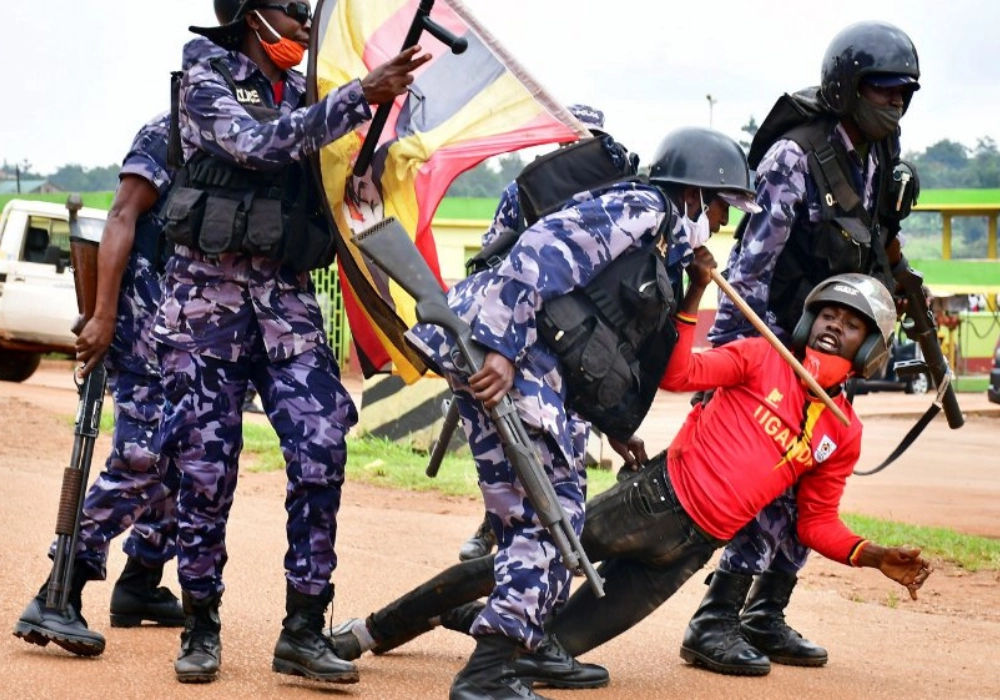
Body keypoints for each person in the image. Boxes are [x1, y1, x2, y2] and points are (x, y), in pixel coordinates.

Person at [329, 271, 933, 690]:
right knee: (512, 567)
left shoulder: (842, 431)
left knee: (551, 655)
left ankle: (480, 620)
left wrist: (873, 555)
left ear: (873, 347)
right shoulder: (760, 355)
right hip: (651, 501)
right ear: (806, 321)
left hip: (689, 551)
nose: (833, 326)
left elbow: (814, 523)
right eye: (827, 313)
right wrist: (696, 290)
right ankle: (368, 632)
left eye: (851, 324)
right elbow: (678, 372)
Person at [398, 126, 760, 700]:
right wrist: (503, 348)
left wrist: (617, 430)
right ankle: (490, 673)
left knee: (547, 517)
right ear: (693, 192)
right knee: (548, 520)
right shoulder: (643, 207)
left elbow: (606, 334)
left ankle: (514, 652)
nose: (719, 223)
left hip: (522, 360)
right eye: (720, 208)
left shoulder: (660, 240)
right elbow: (541, 251)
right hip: (510, 353)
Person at [151, 0, 429, 685]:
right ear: (252, 15)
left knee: (321, 444)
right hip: (204, 308)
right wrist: (357, 95)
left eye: (311, 17)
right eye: (294, 15)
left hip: (286, 305)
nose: (307, 27)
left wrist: (388, 120)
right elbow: (253, 143)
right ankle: (200, 623)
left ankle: (303, 627)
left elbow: (347, 174)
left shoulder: (312, 89)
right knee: (205, 473)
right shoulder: (205, 74)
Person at [683, 19, 924, 676]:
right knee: (767, 487)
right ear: (848, 87)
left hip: (836, 354)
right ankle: (715, 620)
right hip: (778, 350)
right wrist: (726, 379)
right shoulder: (796, 158)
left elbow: (873, 241)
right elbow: (751, 270)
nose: (895, 103)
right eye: (883, 90)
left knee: (814, 484)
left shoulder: (879, 155)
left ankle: (766, 613)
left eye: (905, 93)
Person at [12, 37, 226, 659]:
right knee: (143, 456)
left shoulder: (234, 139)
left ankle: (138, 583)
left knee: (184, 455)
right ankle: (60, 589)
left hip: (193, 325)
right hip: (143, 324)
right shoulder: (169, 132)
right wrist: (103, 316)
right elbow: (120, 219)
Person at [458, 103, 611, 563]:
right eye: (568, 141)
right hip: (524, 339)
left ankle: (566, 539)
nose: (575, 150)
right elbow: (493, 258)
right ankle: (496, 529)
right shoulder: (523, 192)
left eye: (586, 142)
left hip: (581, 344)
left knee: (571, 445)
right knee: (511, 443)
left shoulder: (610, 202)